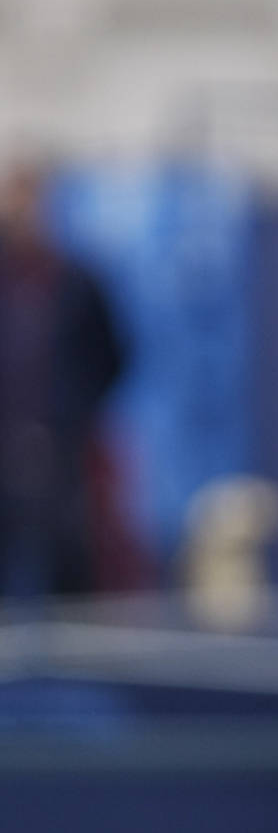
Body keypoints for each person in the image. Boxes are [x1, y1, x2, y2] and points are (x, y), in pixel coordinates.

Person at [0, 159, 127, 598]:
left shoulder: (77, 281)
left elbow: (114, 355)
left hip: (63, 448)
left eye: (28, 201)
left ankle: (78, 661)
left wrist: (75, 413)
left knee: (70, 557)